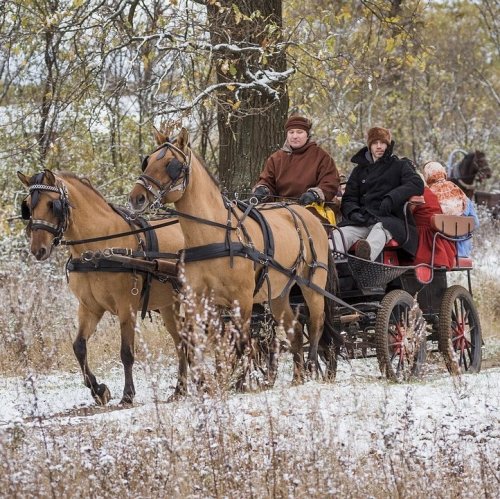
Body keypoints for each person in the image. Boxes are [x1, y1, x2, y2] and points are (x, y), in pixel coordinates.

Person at [331, 126, 424, 261]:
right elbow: (349, 197)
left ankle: (365, 258)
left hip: (389, 219)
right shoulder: (359, 171)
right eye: (375, 143)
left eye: (382, 143)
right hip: (362, 219)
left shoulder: (399, 165)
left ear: (388, 145)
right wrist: (353, 212)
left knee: (380, 231)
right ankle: (336, 266)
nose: (379, 146)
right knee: (339, 235)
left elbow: (416, 184)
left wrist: (391, 198)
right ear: (370, 146)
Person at [252, 115, 340, 207]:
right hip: (279, 208)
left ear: (307, 135)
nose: (294, 136)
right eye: (291, 132)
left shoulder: (321, 156)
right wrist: (263, 189)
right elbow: (267, 181)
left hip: (311, 207)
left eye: (299, 132)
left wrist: (315, 194)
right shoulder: (276, 158)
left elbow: (330, 182)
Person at [422, 160, 478, 257]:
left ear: (427, 176)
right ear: (443, 173)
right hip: (462, 252)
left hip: (440, 252)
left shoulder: (428, 196)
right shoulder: (461, 194)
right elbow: (475, 223)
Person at [410, 186, 457, 269]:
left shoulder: (415, 193)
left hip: (425, 244)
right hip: (441, 242)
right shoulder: (432, 193)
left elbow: (407, 216)